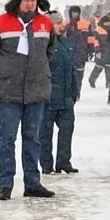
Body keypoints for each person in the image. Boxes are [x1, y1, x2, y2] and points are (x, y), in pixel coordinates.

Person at [0, 0, 57, 201]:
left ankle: (33, 183)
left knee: (33, 138)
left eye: (33, 0)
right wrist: (1, 68)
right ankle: (6, 184)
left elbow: (51, 50)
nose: (30, 4)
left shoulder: (45, 24)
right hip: (8, 92)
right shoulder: (0, 23)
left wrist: (38, 70)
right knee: (7, 138)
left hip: (35, 93)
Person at [39, 11, 80, 175]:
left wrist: (74, 90)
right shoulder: (43, 46)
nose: (62, 26)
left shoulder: (66, 43)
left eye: (61, 22)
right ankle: (46, 164)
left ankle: (64, 162)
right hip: (48, 97)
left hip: (66, 98)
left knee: (67, 130)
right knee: (45, 133)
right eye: (58, 23)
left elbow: (71, 69)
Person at [64, 5, 94, 90]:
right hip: (68, 52)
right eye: (73, 12)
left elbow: (91, 38)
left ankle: (77, 91)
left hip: (81, 52)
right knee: (68, 73)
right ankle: (69, 91)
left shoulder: (86, 24)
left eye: (76, 12)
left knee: (79, 73)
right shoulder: (65, 24)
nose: (75, 14)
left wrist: (91, 50)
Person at [88, 11, 110, 91]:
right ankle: (92, 80)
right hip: (101, 52)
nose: (108, 24)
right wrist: (97, 51)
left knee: (109, 69)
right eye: (107, 22)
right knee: (98, 68)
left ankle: (109, 84)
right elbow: (96, 41)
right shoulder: (98, 30)